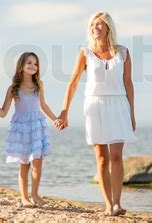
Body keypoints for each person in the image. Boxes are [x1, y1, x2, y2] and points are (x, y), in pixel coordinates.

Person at [57, 11, 137, 216]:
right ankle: (108, 204)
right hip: (94, 105)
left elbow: (128, 83)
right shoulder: (85, 53)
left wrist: (132, 113)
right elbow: (73, 82)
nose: (95, 28)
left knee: (117, 156)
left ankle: (117, 203)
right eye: (93, 24)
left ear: (109, 27)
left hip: (118, 104)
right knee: (102, 159)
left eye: (100, 24)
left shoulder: (123, 52)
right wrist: (64, 111)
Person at [0, 52, 61, 207]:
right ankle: (24, 198)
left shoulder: (39, 85)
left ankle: (35, 195)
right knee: (24, 163)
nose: (33, 66)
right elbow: (3, 113)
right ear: (21, 65)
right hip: (21, 128)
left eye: (35, 64)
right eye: (29, 62)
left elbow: (43, 105)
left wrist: (55, 119)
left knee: (37, 161)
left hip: (37, 125)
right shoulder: (13, 88)